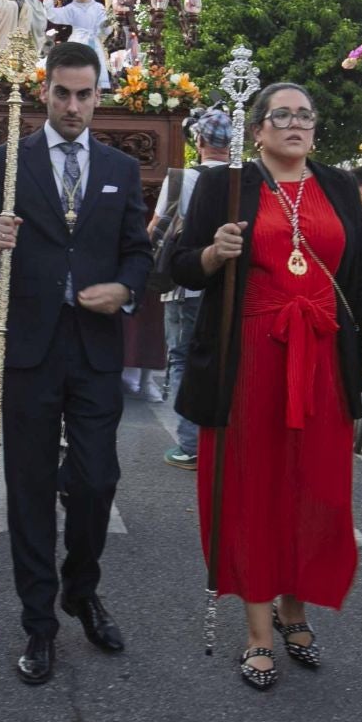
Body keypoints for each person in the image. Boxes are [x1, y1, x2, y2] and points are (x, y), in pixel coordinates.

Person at [169, 84, 362, 688]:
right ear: (258, 128)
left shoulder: (340, 187)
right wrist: (214, 253)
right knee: (254, 490)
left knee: (316, 490)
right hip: (250, 361)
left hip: (321, 357)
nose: (295, 124)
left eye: (305, 116)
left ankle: (297, 609)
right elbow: (178, 264)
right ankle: (259, 631)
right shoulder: (225, 185)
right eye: (281, 115)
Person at [0, 41, 151, 686]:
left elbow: (138, 252)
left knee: (96, 479)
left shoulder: (119, 168)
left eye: (85, 94)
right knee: (27, 489)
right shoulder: (7, 161)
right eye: (61, 93)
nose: (73, 106)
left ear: (99, 97)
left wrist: (124, 289)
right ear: (44, 94)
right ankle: (38, 623)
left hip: (94, 347)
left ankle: (82, 588)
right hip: (27, 347)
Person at [156, 109, 232, 470]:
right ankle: (221, 443)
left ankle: (189, 444)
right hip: (229, 288)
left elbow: (157, 230)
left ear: (198, 142)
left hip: (184, 286)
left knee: (181, 358)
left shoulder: (181, 180)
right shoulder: (242, 180)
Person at [45, 0, 111, 90]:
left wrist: (107, 24)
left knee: (94, 68)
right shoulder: (71, 8)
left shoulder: (98, 7)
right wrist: (49, 1)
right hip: (76, 41)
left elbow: (105, 29)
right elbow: (54, 15)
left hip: (93, 43)